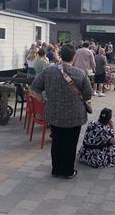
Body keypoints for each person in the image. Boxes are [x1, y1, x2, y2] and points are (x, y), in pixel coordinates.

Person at [31, 44, 93, 179]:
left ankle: (56, 169)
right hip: (74, 115)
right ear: (74, 56)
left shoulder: (49, 71)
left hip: (55, 114)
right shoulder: (80, 73)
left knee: (57, 141)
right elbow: (88, 95)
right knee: (70, 142)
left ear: (60, 55)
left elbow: (35, 88)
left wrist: (43, 101)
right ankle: (68, 170)